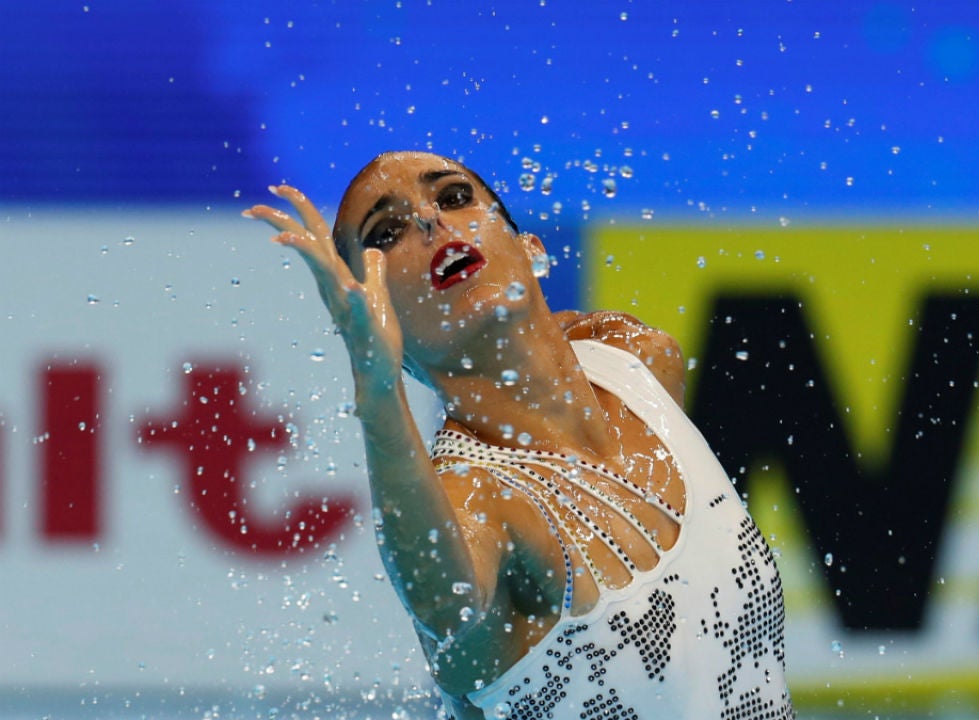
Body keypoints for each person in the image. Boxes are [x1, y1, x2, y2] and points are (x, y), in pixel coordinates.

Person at [245, 152, 792, 719]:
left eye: (454, 197)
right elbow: (444, 606)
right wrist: (379, 390)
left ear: (530, 248)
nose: (430, 220)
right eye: (387, 233)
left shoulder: (637, 358)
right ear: (386, 326)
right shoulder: (480, 500)